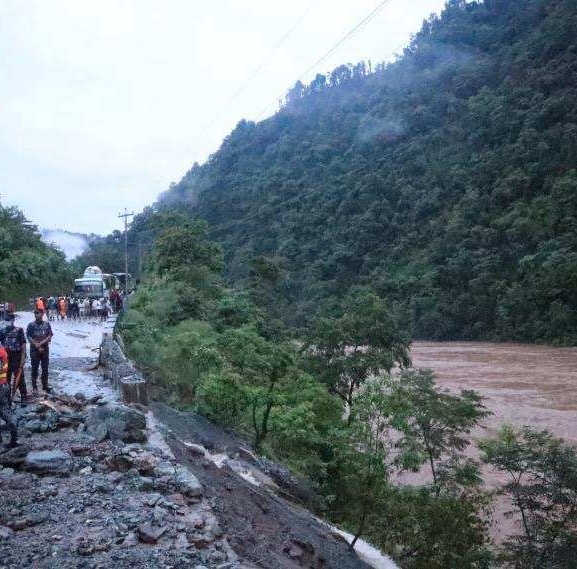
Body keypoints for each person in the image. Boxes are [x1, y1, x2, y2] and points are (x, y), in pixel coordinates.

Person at [0, 313, 27, 405]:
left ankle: (24, 397)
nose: (7, 322)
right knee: (6, 379)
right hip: (5, 358)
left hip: (16, 356)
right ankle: (8, 399)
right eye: (5, 320)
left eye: (9, 320)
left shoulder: (19, 330)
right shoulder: (2, 331)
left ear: (13, 320)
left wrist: (23, 358)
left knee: (19, 378)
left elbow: (23, 344)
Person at [26, 309, 53, 394]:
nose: (36, 315)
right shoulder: (31, 325)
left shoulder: (47, 324)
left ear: (42, 314)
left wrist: (40, 343)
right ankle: (34, 387)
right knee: (34, 368)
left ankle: (45, 386)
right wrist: (36, 345)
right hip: (34, 350)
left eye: (38, 313)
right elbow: (29, 336)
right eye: (35, 313)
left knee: (45, 369)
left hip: (44, 349)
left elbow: (49, 335)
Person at [0, 345, 18, 447]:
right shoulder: (2, 349)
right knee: (6, 410)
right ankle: (13, 438)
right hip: (4, 385)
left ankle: (14, 439)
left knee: (5, 412)